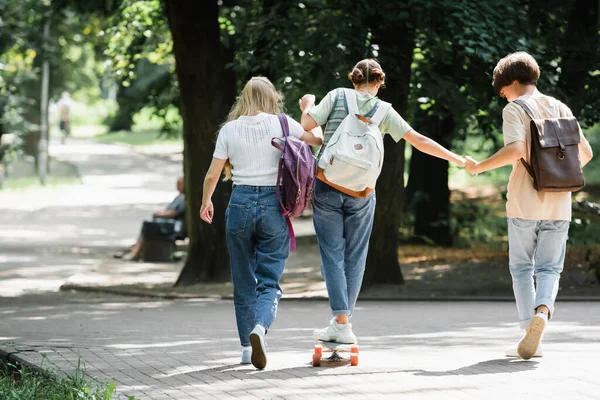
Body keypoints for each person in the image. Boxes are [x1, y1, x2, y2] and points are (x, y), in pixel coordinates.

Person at [299, 59, 466, 344]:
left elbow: (306, 125)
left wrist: (307, 104)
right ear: (379, 83)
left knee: (332, 255)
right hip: (363, 192)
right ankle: (344, 323)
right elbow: (419, 140)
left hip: (327, 185)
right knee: (356, 257)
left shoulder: (337, 96)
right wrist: (458, 159)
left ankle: (340, 321)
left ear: (354, 80)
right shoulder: (385, 111)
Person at [464, 51, 594, 359]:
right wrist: (557, 174)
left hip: (525, 200)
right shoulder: (560, 107)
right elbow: (585, 153)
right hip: (560, 203)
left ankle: (527, 331)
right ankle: (543, 313)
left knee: (522, 268)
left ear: (512, 81)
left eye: (502, 89)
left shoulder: (516, 109)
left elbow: (516, 150)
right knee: (551, 267)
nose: (502, 95)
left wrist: (479, 167)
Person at [199, 76, 322, 369]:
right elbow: (317, 139)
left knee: (243, 282)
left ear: (244, 98)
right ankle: (260, 329)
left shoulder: (229, 129)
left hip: (239, 204)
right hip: (272, 206)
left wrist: (206, 201)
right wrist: (310, 110)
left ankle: (245, 347)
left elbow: (213, 174)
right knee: (269, 282)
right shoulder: (284, 123)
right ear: (271, 97)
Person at [117, 176, 186, 261]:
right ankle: (134, 250)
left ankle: (135, 253)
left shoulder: (184, 198)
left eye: (180, 184)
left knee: (147, 226)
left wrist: (159, 214)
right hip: (168, 223)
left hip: (173, 225)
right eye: (177, 184)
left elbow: (174, 213)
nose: (178, 186)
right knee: (147, 225)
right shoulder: (179, 197)